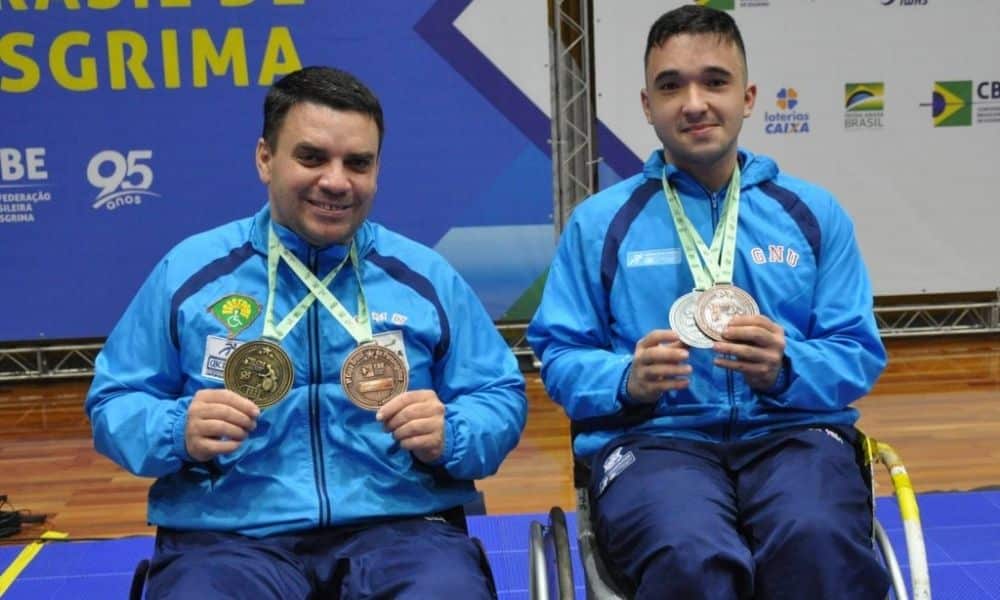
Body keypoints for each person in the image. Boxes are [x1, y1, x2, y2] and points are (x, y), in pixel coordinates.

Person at [86, 66, 527, 599]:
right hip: (228, 537)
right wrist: (175, 427)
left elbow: (498, 394)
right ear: (265, 159)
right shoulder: (191, 272)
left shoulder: (424, 276)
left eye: (357, 163)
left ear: (377, 170)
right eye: (312, 157)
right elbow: (114, 398)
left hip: (403, 532)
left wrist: (453, 431)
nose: (336, 181)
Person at [527, 5, 889, 599]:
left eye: (714, 81)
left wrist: (788, 367)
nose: (694, 102)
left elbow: (856, 351)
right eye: (671, 86)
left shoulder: (813, 215)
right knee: (689, 551)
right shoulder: (600, 224)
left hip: (794, 433)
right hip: (655, 440)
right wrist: (627, 379)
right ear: (648, 106)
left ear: (747, 97)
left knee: (815, 534)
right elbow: (560, 356)